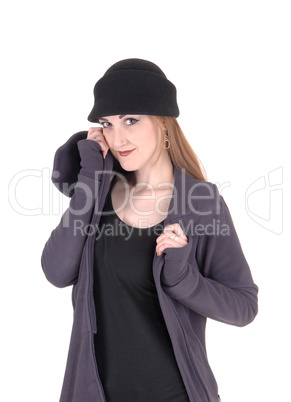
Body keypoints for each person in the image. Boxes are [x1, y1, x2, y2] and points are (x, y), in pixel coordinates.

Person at [41, 58, 259, 402]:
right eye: (107, 124)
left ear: (163, 122)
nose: (118, 137)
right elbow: (56, 271)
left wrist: (183, 279)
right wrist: (89, 176)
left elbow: (244, 306)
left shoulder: (200, 202)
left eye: (131, 120)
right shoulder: (98, 193)